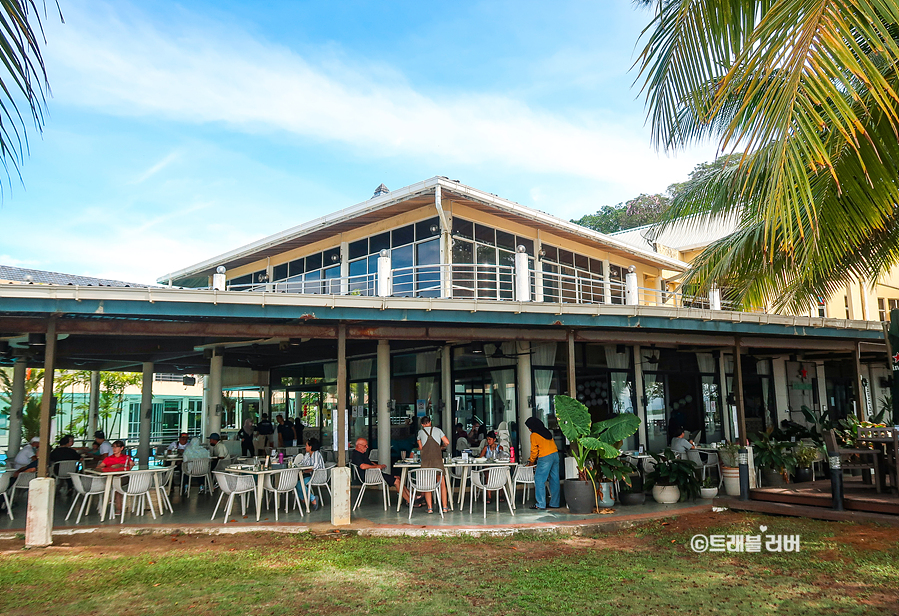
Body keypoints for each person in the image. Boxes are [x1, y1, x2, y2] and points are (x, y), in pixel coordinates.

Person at [350, 438, 414, 507]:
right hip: (370, 476)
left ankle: (412, 497)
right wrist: (376, 467)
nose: (367, 447)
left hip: (373, 474)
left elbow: (368, 463)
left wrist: (377, 465)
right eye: (365, 445)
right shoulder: (357, 455)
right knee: (397, 481)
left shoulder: (361, 454)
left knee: (398, 478)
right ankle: (409, 501)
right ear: (359, 446)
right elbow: (362, 466)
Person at [416, 416, 450, 514]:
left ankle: (430, 508)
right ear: (430, 422)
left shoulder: (420, 433)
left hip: (426, 462)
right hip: (437, 461)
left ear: (422, 424)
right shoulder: (438, 430)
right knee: (442, 484)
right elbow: (447, 442)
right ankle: (444, 507)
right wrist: (442, 447)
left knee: (428, 485)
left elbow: (421, 447)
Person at [525, 417, 560, 510]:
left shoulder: (534, 435)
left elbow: (534, 451)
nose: (529, 429)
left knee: (539, 479)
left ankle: (540, 504)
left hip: (545, 457)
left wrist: (531, 461)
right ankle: (555, 503)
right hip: (555, 455)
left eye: (529, 427)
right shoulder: (546, 432)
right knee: (554, 479)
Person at [294, 437, 325, 511]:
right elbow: (302, 463)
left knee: (300, 484)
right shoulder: (308, 455)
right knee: (296, 484)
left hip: (318, 476)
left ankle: (312, 499)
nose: (305, 447)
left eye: (306, 445)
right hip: (312, 475)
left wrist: (304, 471)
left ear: (310, 447)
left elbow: (315, 467)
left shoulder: (317, 454)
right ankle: (305, 499)